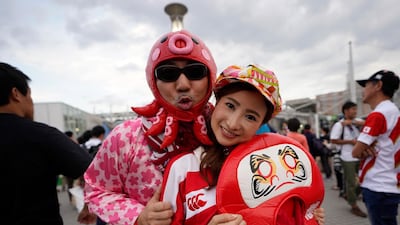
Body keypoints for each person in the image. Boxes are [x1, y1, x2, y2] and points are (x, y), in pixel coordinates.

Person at [80, 29, 235, 225]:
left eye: (195, 72)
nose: (183, 85)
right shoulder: (125, 136)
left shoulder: (227, 133)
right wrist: (138, 216)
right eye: (168, 74)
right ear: (153, 81)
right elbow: (96, 189)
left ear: (210, 77)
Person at [160, 64, 325, 225]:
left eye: (251, 117)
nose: (233, 124)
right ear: (216, 102)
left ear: (261, 124)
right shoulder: (182, 168)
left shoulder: (275, 169)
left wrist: (306, 216)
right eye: (230, 105)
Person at [0, 62, 92, 225]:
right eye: (29, 94)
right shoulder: (41, 135)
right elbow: (94, 171)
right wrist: (90, 205)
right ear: (16, 94)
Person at [352, 70, 400, 225]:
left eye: (365, 85)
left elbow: (356, 152)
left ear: (378, 85)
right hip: (389, 183)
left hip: (378, 185)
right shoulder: (393, 111)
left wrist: (362, 148)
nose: (363, 90)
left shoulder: (378, 114)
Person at [330, 101, 367, 218]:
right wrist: (350, 142)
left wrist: (353, 122)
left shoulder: (356, 123)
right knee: (352, 182)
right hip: (347, 157)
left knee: (362, 180)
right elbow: (333, 140)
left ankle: (349, 195)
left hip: (359, 156)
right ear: (345, 111)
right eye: (353, 109)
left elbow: (367, 123)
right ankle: (354, 205)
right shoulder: (339, 125)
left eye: (356, 109)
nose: (355, 111)